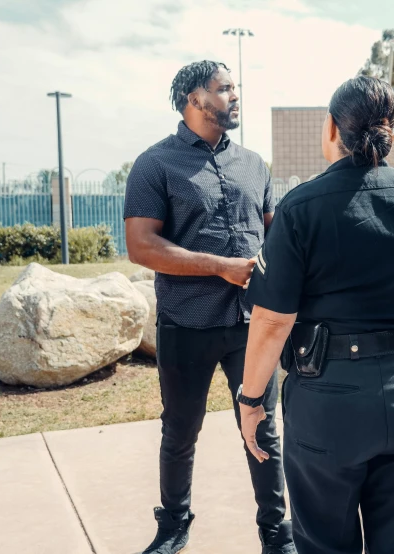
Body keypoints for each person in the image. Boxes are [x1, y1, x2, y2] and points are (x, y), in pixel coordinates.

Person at [237, 76, 394, 554]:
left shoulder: (301, 208)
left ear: (332, 128)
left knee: (324, 544)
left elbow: (272, 321)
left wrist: (251, 400)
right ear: (391, 131)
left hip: (329, 408)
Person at [123, 60, 295, 554]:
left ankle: (276, 534)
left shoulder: (254, 164)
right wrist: (219, 265)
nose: (234, 96)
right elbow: (142, 245)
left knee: (263, 427)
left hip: (252, 326)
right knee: (180, 431)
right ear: (193, 100)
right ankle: (174, 526)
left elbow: (274, 236)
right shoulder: (154, 164)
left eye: (235, 88)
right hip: (186, 322)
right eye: (224, 89)